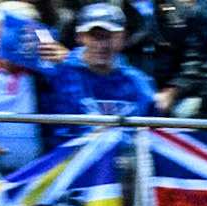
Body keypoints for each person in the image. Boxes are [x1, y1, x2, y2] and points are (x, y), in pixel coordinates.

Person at [47, 4, 155, 142]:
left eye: (109, 36)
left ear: (122, 37)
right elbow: (56, 131)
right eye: (94, 36)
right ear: (80, 36)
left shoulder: (137, 82)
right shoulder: (61, 76)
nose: (102, 45)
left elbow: (148, 130)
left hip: (125, 152)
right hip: (74, 152)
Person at [0, 2, 61, 173]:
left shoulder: (46, 74)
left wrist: (65, 64)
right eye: (1, 33)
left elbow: (64, 120)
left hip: (38, 174)